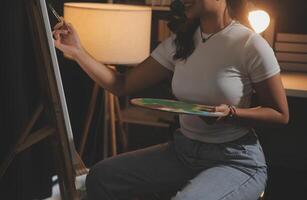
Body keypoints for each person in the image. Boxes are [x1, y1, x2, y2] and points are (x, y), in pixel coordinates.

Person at [53, 0, 289, 199]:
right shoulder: (180, 42)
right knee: (100, 177)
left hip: (234, 160)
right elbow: (121, 85)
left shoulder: (250, 44)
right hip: (182, 152)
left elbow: (280, 114)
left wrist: (231, 114)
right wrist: (77, 51)